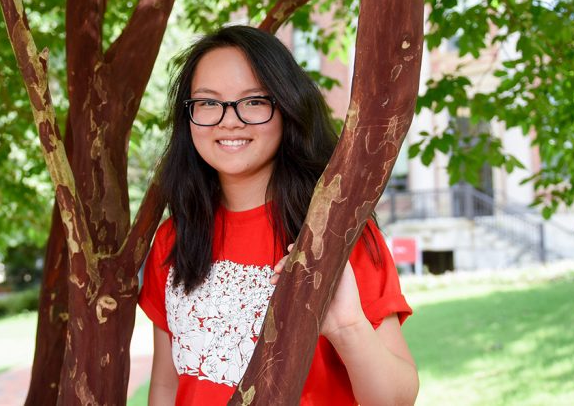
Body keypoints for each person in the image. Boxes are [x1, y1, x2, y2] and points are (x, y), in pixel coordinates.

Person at [139, 25, 417, 405]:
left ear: (286, 106)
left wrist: (348, 327)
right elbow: (168, 386)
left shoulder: (336, 233)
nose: (228, 120)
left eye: (253, 101)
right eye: (207, 102)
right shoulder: (174, 237)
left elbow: (397, 400)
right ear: (188, 116)